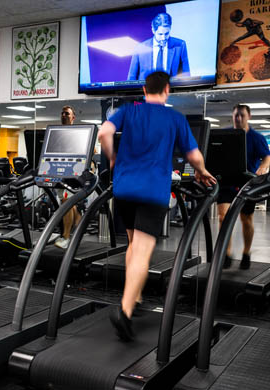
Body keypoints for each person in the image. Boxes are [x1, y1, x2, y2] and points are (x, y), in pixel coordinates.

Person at [98, 71, 215, 341]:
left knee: (131, 244)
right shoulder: (174, 117)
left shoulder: (129, 110)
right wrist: (202, 170)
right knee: (141, 250)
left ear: (143, 88)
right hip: (152, 189)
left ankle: (135, 296)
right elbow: (193, 154)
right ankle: (125, 311)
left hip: (124, 187)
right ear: (167, 90)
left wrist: (113, 157)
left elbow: (104, 132)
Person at [217, 104, 270, 270]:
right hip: (227, 181)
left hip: (247, 183)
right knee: (223, 217)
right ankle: (227, 253)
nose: (238, 118)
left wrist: (263, 168)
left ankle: (246, 253)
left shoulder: (256, 137)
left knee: (246, 220)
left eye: (241, 115)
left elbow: (267, 157)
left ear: (249, 117)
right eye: (235, 115)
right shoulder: (226, 134)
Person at [127, 13, 190, 81]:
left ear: (170, 29)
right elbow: (131, 79)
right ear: (153, 31)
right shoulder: (140, 48)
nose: (163, 38)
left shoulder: (180, 45)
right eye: (160, 34)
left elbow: (186, 76)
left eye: (166, 33)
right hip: (146, 90)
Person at [54, 105, 82, 249]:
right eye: (62, 113)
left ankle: (66, 237)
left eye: (67, 113)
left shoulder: (78, 133)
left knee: (66, 202)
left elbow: (91, 150)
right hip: (59, 172)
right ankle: (79, 223)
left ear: (73, 117)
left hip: (72, 173)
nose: (64, 115)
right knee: (69, 203)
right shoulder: (57, 133)